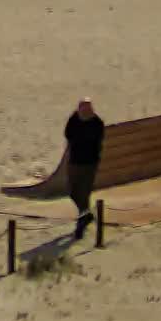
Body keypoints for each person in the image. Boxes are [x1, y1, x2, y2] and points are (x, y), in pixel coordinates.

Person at [65, 98, 105, 240]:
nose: (83, 111)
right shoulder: (74, 119)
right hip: (74, 161)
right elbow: (68, 134)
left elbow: (96, 140)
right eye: (82, 108)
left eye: (86, 109)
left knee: (84, 193)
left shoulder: (97, 123)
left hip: (89, 164)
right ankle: (86, 215)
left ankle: (81, 224)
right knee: (72, 192)